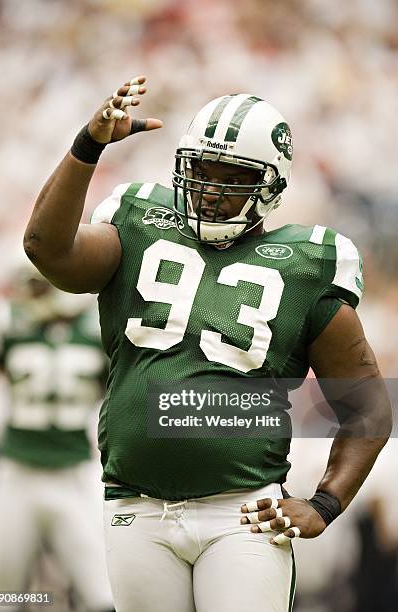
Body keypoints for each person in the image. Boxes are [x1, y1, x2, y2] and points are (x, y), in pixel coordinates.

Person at [23, 76, 392, 612]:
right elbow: (47, 249)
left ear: (269, 186)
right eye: (201, 172)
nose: (212, 190)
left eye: (231, 177)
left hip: (242, 512)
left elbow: (367, 408)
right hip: (135, 507)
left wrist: (326, 502)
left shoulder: (307, 265)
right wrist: (87, 146)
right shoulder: (140, 222)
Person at [0, 264, 114, 612]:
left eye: (37, 286)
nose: (28, 295)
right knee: (2, 594)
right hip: (17, 469)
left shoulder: (99, 327)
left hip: (76, 471)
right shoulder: (6, 323)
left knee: (102, 591)